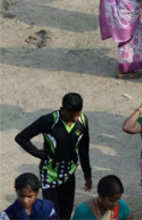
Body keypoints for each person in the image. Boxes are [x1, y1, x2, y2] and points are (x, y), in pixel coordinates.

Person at [15, 92, 91, 220]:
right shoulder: (49, 121)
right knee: (52, 214)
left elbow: (84, 149)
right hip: (50, 173)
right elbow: (21, 138)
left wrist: (87, 175)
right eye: (72, 114)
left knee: (66, 211)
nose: (76, 117)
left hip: (68, 172)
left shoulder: (82, 121)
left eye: (78, 113)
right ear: (63, 110)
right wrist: (39, 154)